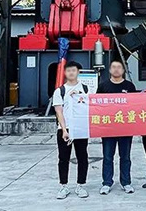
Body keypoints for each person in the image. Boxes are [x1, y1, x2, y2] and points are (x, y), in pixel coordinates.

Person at [97, 60, 138, 195]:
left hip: (125, 128)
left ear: (123, 70)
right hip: (108, 128)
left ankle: (126, 182)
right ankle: (107, 183)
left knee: (125, 157)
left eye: (119, 67)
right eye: (113, 67)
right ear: (109, 70)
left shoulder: (129, 86)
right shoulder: (103, 86)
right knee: (108, 157)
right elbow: (96, 106)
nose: (116, 69)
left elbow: (135, 106)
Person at [53, 61, 89, 199]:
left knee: (82, 157)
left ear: (78, 72)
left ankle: (81, 185)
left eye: (74, 70)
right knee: (63, 158)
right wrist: (64, 130)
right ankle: (64, 186)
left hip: (80, 128)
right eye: (68, 70)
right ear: (65, 73)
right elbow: (59, 112)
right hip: (65, 129)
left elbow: (91, 105)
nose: (71, 73)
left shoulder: (86, 89)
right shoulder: (60, 91)